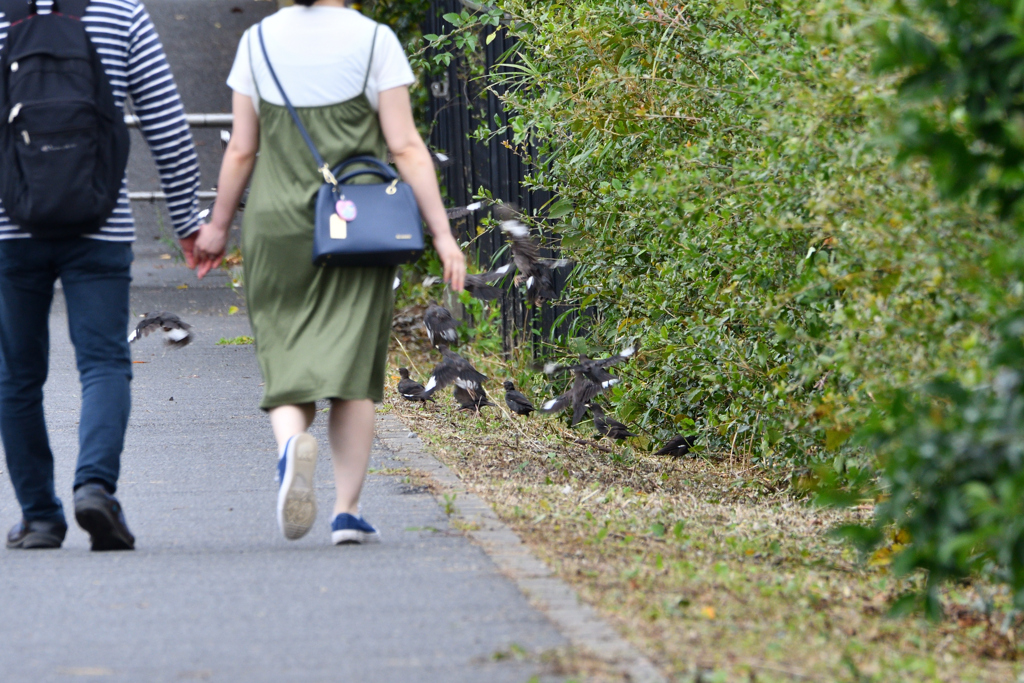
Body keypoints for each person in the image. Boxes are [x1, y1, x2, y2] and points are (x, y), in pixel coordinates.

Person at [192, 0, 465, 544]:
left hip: (276, 225)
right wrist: (441, 233)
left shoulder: (258, 41)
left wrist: (218, 226)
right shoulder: (373, 40)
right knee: (350, 371)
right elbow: (406, 146)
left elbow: (243, 148)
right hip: (355, 227)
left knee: (286, 349)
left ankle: (292, 446)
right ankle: (346, 510)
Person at [0, 0, 202, 550]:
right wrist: (188, 219)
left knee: (16, 376)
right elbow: (165, 118)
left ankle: (40, 516)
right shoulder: (121, 12)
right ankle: (95, 487)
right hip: (100, 222)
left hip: (10, 226)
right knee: (104, 362)